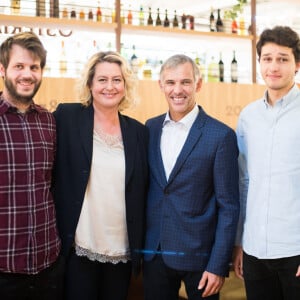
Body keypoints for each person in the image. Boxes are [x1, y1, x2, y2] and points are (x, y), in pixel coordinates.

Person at [52, 51, 148, 300]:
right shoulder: (67, 117)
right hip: (79, 246)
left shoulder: (139, 132)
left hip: (121, 249)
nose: (110, 87)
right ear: (90, 84)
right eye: (102, 79)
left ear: (126, 86)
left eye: (117, 80)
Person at [143, 54, 240, 300]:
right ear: (161, 85)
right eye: (171, 83)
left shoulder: (221, 136)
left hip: (201, 259)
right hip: (154, 252)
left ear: (198, 85)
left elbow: (228, 207)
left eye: (185, 82)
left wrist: (218, 265)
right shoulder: (149, 129)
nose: (178, 90)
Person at [233, 26, 300, 300]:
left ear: (297, 64)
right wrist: (239, 242)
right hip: (254, 249)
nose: (274, 66)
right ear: (259, 62)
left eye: (283, 59)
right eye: (268, 58)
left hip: (295, 247)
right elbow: (243, 182)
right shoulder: (248, 117)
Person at [0, 32, 63, 299]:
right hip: (4, 268)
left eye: (34, 67)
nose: (27, 74)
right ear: (2, 69)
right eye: (19, 66)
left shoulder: (49, 121)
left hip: (48, 262)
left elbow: (52, 184)